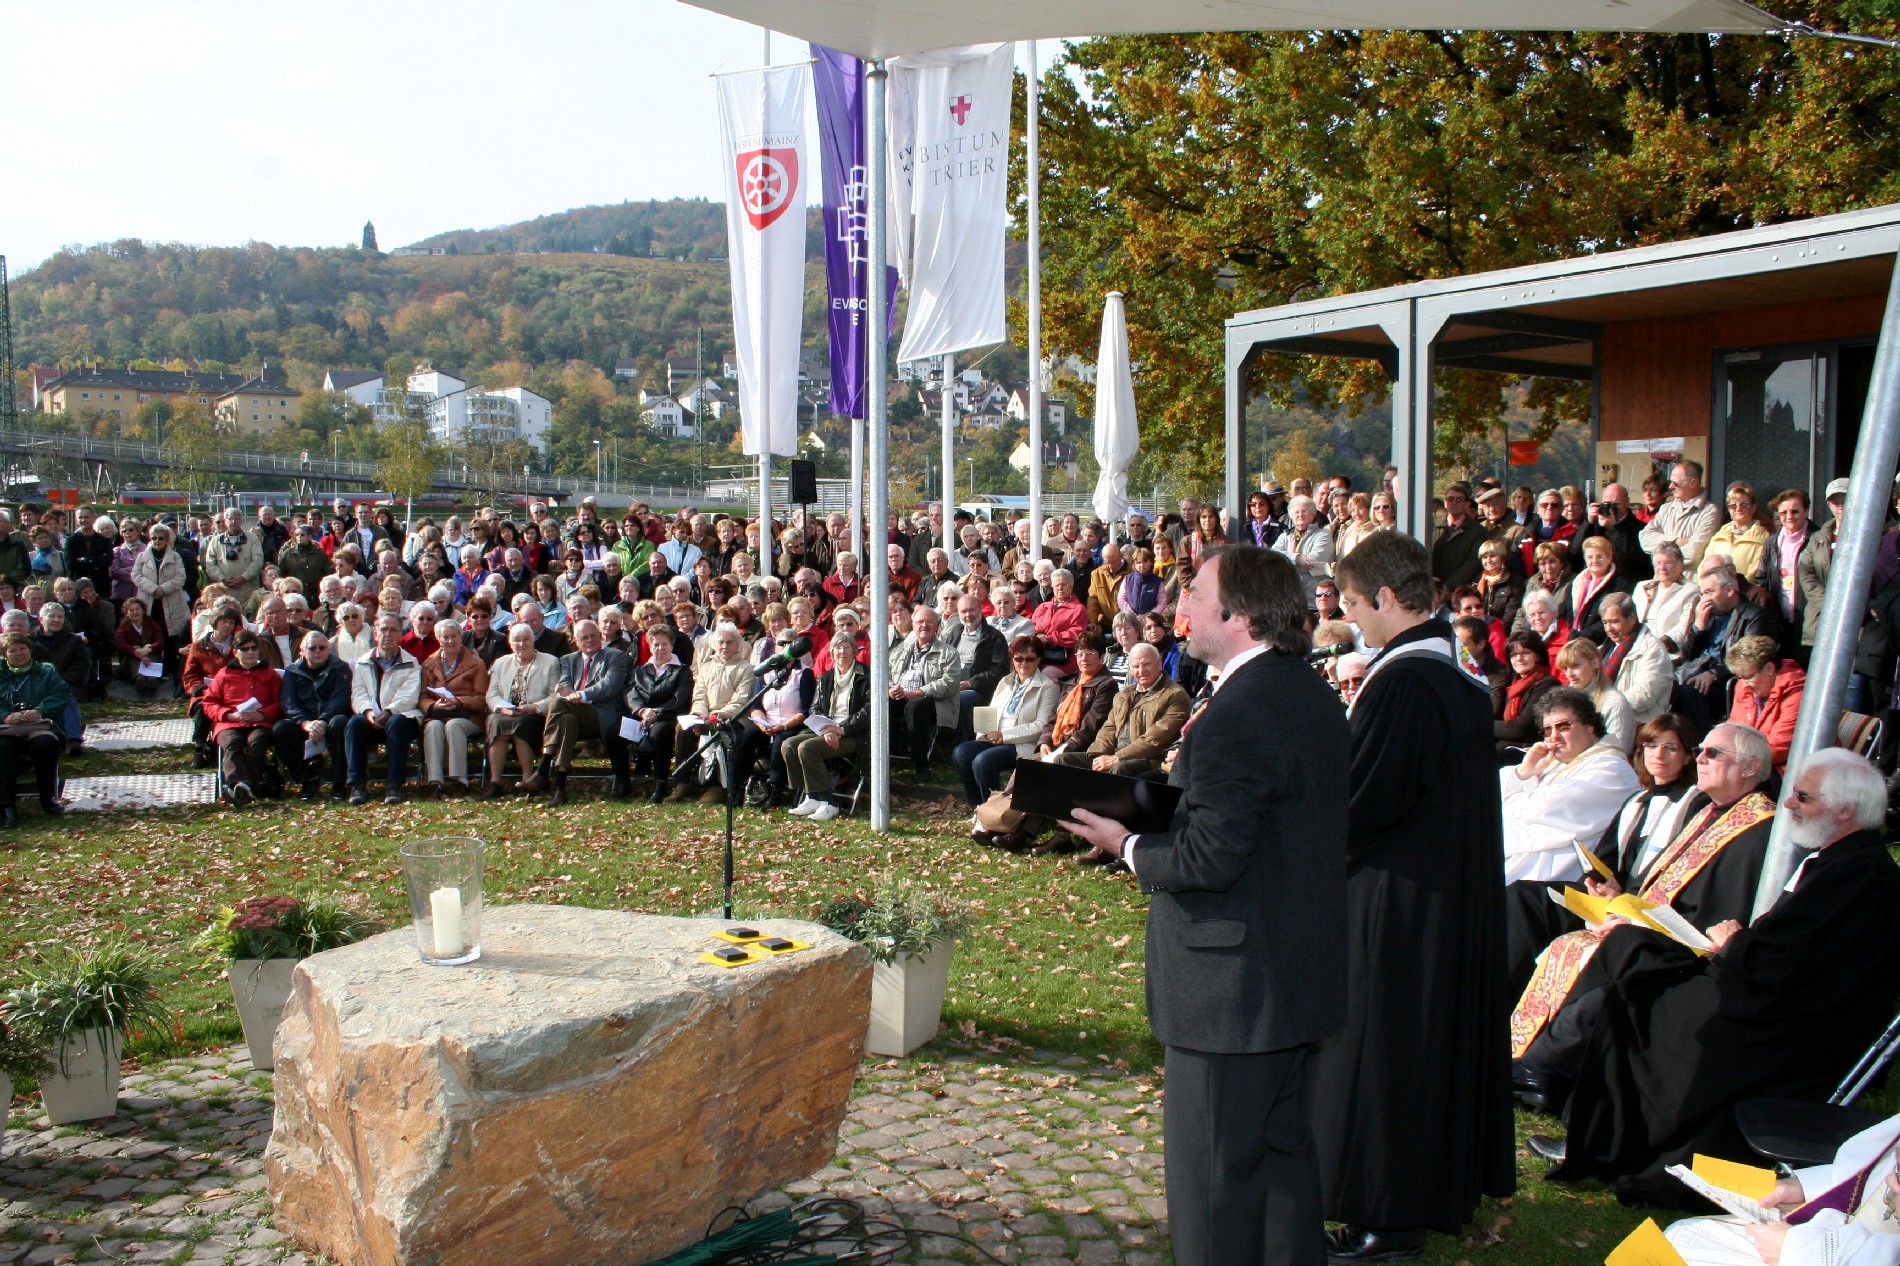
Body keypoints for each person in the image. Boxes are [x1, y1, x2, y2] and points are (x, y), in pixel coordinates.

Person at [1055, 545, 1349, 1266]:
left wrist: (1126, 844)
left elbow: (1209, 860)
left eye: (1195, 595)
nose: (1178, 610)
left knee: (1215, 1183)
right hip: (1292, 967)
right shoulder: (1308, 692)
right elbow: (1262, 824)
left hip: (1232, 988)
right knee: (1281, 1167)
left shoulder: (1236, 715)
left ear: (1239, 614)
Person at [1541, 749, 1900, 1207]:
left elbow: (1788, 963)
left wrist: (1735, 944)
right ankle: (1589, 1123)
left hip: (1789, 1027)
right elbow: (1794, 953)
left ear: (1846, 810)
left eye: (1803, 798)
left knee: (1642, 1002)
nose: (1789, 806)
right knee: (1637, 962)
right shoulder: (1847, 863)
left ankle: (1610, 1139)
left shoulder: (1858, 874)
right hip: (1779, 1003)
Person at [1314, 530, 1514, 1261]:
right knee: (1422, 1052)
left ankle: (1384, 1217)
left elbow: (1364, 801)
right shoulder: (1454, 675)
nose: (1354, 621)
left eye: (1358, 606)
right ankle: (1403, 1204)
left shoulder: (1403, 682)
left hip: (1396, 902)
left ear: (1389, 598)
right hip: (1442, 893)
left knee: (1386, 1058)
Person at [1510, 722, 1775, 1114]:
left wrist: (1635, 918)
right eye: (1700, 749)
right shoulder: (1709, 812)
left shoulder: (1756, 828)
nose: (1700, 757)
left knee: (1619, 949)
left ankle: (1543, 1067)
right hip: (1636, 912)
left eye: (1712, 753)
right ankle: (1493, 1011)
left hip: (1680, 941)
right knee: (1527, 896)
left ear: (1751, 768)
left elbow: (1717, 911)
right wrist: (1620, 899)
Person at [1502, 713, 1701, 1000]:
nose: (1658, 755)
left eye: (1671, 748)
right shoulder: (1636, 801)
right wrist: (1600, 880)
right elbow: (1605, 858)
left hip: (1650, 905)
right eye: (1651, 745)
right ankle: (1504, 988)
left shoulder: (1695, 804)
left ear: (1686, 757)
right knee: (1524, 895)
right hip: (1611, 897)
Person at [1663, 1108, 1900, 1265]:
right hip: (1844, 1233)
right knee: (1685, 1238)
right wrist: (1807, 1188)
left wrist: (1797, 1251)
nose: (1891, 1180)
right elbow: (1877, 1171)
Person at [1498, 687, 1641, 884]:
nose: (1553, 737)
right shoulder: (1556, 764)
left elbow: (1540, 812)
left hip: (1552, 887)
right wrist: (1524, 772)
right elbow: (1492, 796)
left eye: (1563, 726)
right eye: (1547, 730)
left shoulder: (1612, 770)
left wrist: (1515, 797)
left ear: (1590, 726)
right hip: (1521, 873)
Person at [1046, 642, 1188, 781]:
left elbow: (1155, 740)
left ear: (1159, 663)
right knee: (1063, 760)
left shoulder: (1174, 695)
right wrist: (1097, 755)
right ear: (1130, 669)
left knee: (1119, 768)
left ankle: (1098, 804)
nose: (1141, 670)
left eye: (1147, 664)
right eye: (1136, 666)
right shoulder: (1125, 694)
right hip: (1114, 754)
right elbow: (1109, 728)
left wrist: (1117, 757)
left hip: (1148, 758)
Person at [528, 618, 632, 804]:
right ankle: (559, 787)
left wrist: (580, 695)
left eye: (594, 636)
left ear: (600, 636)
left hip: (600, 715)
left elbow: (610, 685)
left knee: (557, 704)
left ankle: (543, 769)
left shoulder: (615, 656)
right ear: (576, 641)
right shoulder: (568, 660)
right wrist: (569, 694)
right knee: (565, 719)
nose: (590, 640)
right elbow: (564, 685)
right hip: (573, 714)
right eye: (584, 638)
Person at [953, 634, 1059, 813]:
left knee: (983, 761)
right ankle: (977, 804)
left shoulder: (1047, 686)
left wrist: (1004, 736)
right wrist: (984, 734)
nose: (1024, 664)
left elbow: (1041, 725)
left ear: (1039, 660)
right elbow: (990, 710)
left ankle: (992, 808)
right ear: (1012, 659)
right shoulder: (1005, 681)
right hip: (994, 738)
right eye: (1018, 658)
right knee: (961, 752)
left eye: (1030, 659)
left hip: (1022, 744)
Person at [782, 627, 870, 822]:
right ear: (831, 652)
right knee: (788, 745)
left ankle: (829, 802)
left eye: (847, 647)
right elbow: (815, 708)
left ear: (855, 651)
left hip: (853, 734)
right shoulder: (825, 678)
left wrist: (841, 728)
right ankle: (811, 795)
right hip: (826, 729)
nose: (842, 652)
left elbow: (868, 713)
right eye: (838, 648)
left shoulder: (867, 677)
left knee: (807, 748)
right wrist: (825, 727)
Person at [667, 625, 755, 804]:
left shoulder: (746, 668)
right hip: (705, 715)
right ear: (714, 644)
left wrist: (714, 716)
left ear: (737, 645)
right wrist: (699, 714)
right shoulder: (706, 668)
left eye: (729, 642)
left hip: (733, 718)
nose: (725, 646)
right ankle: (682, 782)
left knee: (718, 729)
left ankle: (716, 787)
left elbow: (740, 701)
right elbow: (699, 695)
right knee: (682, 729)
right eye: (721, 642)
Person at [345, 614, 423, 805]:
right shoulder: (362, 662)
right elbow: (358, 693)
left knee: (397, 723)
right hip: (370, 717)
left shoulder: (412, 663)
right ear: (375, 633)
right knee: (354, 723)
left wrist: (388, 712)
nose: (388, 634)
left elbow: (409, 696)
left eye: (393, 630)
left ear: (400, 634)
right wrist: (368, 713)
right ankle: (357, 785)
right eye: (383, 629)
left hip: (401, 716)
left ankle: (394, 785)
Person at [200, 631, 283, 806]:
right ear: (235, 651)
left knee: (258, 741)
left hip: (260, 721)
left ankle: (243, 787)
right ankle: (238, 784)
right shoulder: (223, 675)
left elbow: (281, 703)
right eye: (244, 649)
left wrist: (262, 714)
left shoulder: (270, 675)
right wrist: (229, 715)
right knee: (232, 743)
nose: (250, 652)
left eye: (254, 648)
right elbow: (209, 704)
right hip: (230, 722)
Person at [481, 623, 559, 798]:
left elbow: (554, 696)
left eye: (526, 640)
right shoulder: (500, 663)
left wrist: (534, 707)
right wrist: (502, 707)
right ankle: (495, 782)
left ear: (533, 641)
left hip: (534, 713)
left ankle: (528, 779)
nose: (522, 644)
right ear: (510, 643)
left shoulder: (550, 662)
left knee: (522, 726)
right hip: (505, 712)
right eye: (516, 640)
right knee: (497, 724)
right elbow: (491, 694)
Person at [0, 632, 69, 826]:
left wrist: (39, 710)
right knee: (3, 748)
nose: (19, 653)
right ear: (5, 654)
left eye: (23, 649)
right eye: (13, 650)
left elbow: (61, 693)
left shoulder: (45, 672)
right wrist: (5, 715)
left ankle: (48, 798)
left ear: (30, 650)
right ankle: (7, 808)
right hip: (6, 729)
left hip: (38, 725)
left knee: (45, 743)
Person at [275, 630, 353, 802]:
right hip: (305, 721)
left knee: (340, 724)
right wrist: (305, 723)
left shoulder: (340, 668)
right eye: (312, 648)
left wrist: (323, 720)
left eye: (322, 648)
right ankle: (307, 779)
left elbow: (340, 700)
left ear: (328, 649)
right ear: (302, 651)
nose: (317, 651)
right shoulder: (292, 672)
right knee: (280, 729)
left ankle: (339, 783)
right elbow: (288, 702)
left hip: (332, 718)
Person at [886, 605, 959, 781]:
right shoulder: (900, 651)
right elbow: (885, 674)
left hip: (934, 701)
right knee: (879, 706)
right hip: (901, 697)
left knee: (915, 707)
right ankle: (881, 758)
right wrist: (890, 689)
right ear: (913, 625)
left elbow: (949, 684)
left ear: (937, 626)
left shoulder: (948, 653)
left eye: (929, 622)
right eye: (920, 622)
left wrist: (919, 692)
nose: (924, 625)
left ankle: (920, 764)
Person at [418, 619, 489, 795]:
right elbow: (422, 698)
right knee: (433, 727)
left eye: (454, 636)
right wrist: (434, 705)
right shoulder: (428, 664)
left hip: (469, 717)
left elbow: (481, 699)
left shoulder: (476, 664)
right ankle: (435, 781)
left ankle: (460, 780)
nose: (450, 641)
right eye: (445, 637)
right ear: (438, 640)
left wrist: (458, 701)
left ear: (461, 637)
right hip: (438, 715)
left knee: (454, 725)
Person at [625, 624, 693, 802]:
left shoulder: (682, 671)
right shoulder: (640, 670)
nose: (660, 648)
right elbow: (631, 693)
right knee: (615, 730)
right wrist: (642, 710)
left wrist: (656, 712)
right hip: (642, 716)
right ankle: (621, 782)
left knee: (660, 732)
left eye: (664, 644)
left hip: (668, 717)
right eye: (656, 644)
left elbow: (680, 699)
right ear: (650, 646)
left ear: (671, 645)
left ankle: (659, 785)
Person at [1599, 592, 1674, 725]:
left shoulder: (1653, 648)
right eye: (1605, 623)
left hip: (1640, 724)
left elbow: (1643, 695)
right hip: (1606, 720)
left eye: (1614, 622)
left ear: (1632, 618)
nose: (1609, 629)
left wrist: (1604, 707)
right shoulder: (1603, 649)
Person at [1555, 638, 1636, 756]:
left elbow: (1618, 752)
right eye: (1565, 668)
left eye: (1575, 666)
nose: (1569, 674)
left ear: (1595, 663)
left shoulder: (1615, 703)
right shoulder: (1563, 700)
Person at [1639, 460, 1725, 571]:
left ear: (1692, 483)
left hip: (1689, 583)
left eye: (1675, 483)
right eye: (1671, 482)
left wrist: (1660, 556)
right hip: (1662, 583)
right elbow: (1644, 539)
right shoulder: (1666, 509)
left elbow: (1694, 554)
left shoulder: (1710, 512)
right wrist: (1678, 540)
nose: (1671, 486)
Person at [1496, 630, 1558, 757]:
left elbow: (1520, 729)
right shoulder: (1513, 684)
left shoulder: (1547, 684)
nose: (1519, 659)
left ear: (1538, 655)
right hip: (1512, 745)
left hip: (1533, 749)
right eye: (1513, 654)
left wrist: (1481, 725)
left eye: (1525, 653)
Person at [1566, 535, 1632, 646]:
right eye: (1590, 557)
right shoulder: (1576, 582)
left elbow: (1612, 618)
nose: (1594, 561)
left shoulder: (1620, 584)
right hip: (1572, 640)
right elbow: (1566, 611)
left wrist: (1583, 637)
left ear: (1609, 557)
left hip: (1600, 643)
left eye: (1600, 556)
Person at [1707, 481, 1771, 589]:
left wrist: (1732, 590)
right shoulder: (1718, 536)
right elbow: (1704, 566)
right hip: (1714, 594)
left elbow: (1754, 573)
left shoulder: (1763, 538)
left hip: (1743, 595)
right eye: (1733, 505)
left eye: (1744, 504)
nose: (1738, 509)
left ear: (1754, 507)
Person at [1275, 495, 1336, 605]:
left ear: (1313, 514)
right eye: (1296, 512)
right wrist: (1297, 558)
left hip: (1313, 600)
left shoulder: (1323, 535)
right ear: (1291, 515)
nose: (1300, 515)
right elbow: (1274, 556)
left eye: (1304, 511)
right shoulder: (1285, 536)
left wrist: (1285, 565)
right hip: (1287, 599)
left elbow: (1313, 562)